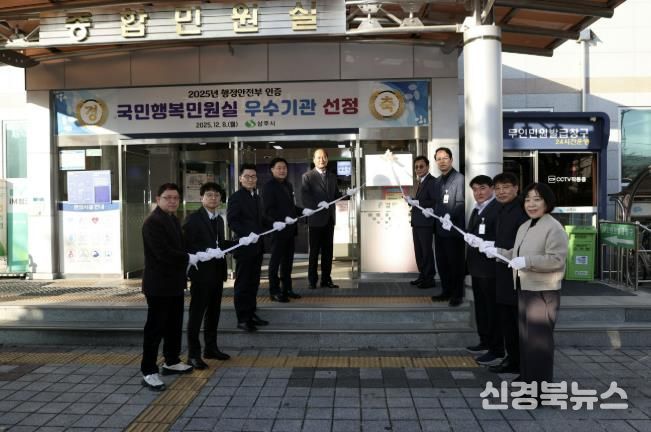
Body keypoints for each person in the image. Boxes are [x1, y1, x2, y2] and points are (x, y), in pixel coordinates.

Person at [483, 182, 568, 384]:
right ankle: (528, 380)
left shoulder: (553, 227)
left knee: (539, 344)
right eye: (528, 200)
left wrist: (527, 262)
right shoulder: (525, 225)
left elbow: (556, 260)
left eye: (537, 199)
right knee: (526, 341)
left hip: (542, 292)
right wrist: (497, 252)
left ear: (547, 202)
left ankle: (539, 390)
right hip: (523, 289)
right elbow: (517, 253)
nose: (531, 204)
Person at [140, 183, 194, 391]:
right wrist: (189, 257)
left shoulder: (173, 219)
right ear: (157, 199)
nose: (172, 201)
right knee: (155, 328)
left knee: (173, 324)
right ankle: (148, 371)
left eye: (175, 198)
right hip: (158, 285)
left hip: (175, 283)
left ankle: (171, 361)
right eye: (167, 197)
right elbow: (162, 253)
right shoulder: (152, 222)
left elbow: (181, 247)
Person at [183, 182, 235, 369]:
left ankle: (211, 348)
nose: (213, 198)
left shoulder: (219, 219)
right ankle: (193, 354)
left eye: (217, 195)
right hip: (201, 274)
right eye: (209, 195)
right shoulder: (193, 219)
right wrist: (204, 252)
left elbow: (219, 244)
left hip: (217, 274)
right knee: (197, 314)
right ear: (201, 198)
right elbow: (186, 245)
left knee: (214, 312)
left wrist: (240, 242)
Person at [488, 172, 528, 374]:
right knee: (506, 319)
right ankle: (512, 360)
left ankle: (521, 363)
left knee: (516, 321)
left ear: (516, 188)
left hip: (517, 274)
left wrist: (502, 252)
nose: (501, 192)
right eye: (497, 188)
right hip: (502, 271)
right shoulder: (501, 209)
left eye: (505, 187)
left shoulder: (522, 211)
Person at [463, 175, 503, 366]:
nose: (478, 193)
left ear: (492, 189)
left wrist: (488, 243)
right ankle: (485, 341)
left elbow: (501, 238)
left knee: (492, 309)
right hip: (477, 268)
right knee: (481, 307)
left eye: (483, 188)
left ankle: (496, 349)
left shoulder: (497, 208)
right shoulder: (476, 209)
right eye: (475, 189)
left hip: (490, 269)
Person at [227, 164, 269, 332]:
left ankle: (251, 313)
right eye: (247, 176)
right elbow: (232, 221)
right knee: (243, 284)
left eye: (253, 176)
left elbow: (262, 220)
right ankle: (243, 318)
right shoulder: (236, 197)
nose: (251, 179)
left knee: (253, 283)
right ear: (240, 178)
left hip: (257, 247)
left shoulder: (256, 197)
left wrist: (276, 223)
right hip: (244, 247)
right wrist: (247, 234)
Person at [262, 157, 302, 302]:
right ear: (272, 170)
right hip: (277, 230)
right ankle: (274, 291)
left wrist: (302, 211)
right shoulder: (268, 187)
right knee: (275, 262)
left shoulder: (288, 185)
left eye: (284, 168)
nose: (282, 170)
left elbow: (291, 207)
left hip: (290, 230)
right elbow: (268, 210)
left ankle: (287, 289)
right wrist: (283, 218)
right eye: (279, 168)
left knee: (288, 262)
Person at [301, 148, 342, 289]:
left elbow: (336, 195)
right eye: (318, 157)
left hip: (329, 220)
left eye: (324, 157)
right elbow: (305, 197)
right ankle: (312, 280)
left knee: (328, 252)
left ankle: (326, 280)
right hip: (315, 220)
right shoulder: (307, 176)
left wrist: (348, 194)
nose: (321, 160)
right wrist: (318, 204)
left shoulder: (332, 177)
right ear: (314, 160)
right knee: (314, 252)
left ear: (327, 159)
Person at [431, 147, 465, 307]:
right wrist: (431, 211)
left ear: (451, 160)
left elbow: (460, 203)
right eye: (438, 159)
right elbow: (437, 203)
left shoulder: (459, 178)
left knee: (455, 264)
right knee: (442, 263)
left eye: (445, 158)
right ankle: (446, 291)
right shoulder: (437, 181)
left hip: (454, 230)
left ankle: (457, 294)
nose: (442, 161)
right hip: (439, 229)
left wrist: (450, 216)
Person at [406, 155, 438, 289]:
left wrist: (417, 202)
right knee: (418, 251)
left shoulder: (432, 181)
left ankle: (429, 278)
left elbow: (434, 201)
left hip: (425, 223)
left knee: (426, 251)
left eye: (421, 166)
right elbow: (421, 201)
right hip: (417, 223)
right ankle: (423, 275)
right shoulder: (421, 182)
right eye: (416, 167)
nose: (418, 169)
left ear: (427, 167)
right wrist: (411, 200)